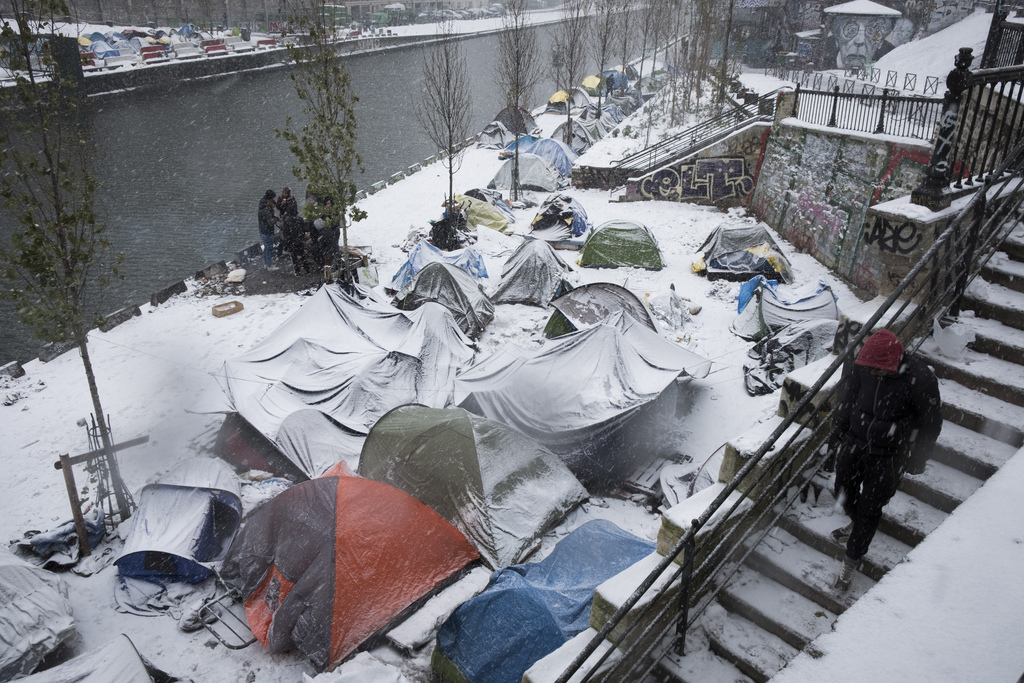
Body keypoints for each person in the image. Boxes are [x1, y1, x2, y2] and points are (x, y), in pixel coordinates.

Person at [830, 329, 942, 591]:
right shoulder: (864, 366)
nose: (875, 375)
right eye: (871, 370)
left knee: (870, 509)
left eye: (881, 372)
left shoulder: (920, 378)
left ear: (894, 363)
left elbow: (931, 424)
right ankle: (857, 524)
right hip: (856, 442)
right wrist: (840, 431)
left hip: (890, 455)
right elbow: (848, 398)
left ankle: (851, 561)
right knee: (842, 492)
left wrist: (918, 459)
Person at [257, 189, 280, 270]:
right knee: (269, 248)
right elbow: (270, 222)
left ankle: (266, 264)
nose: (274, 207)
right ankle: (269, 266)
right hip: (267, 231)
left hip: (263, 230)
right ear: (269, 202)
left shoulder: (262, 205)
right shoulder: (267, 211)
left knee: (267, 248)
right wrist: (276, 218)